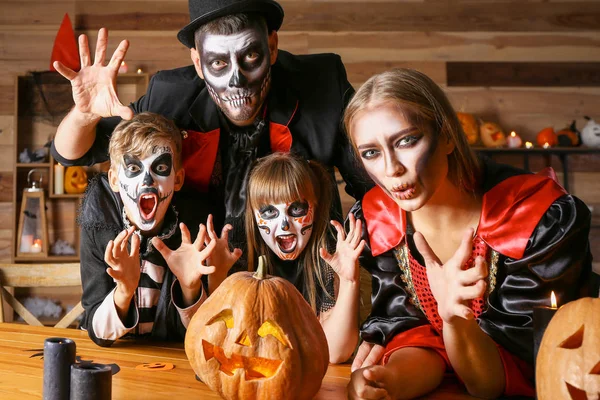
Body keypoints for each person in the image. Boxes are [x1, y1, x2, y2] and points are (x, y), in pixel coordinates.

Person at [51, 0, 372, 270]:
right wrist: (85, 114)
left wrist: (386, 312)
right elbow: (73, 153)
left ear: (272, 47)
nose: (236, 80)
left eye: (250, 57)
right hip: (200, 277)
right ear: (198, 63)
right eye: (218, 62)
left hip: (307, 273)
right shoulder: (170, 96)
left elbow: (373, 190)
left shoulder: (322, 86)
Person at [342, 69, 595, 399]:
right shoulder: (377, 222)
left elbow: (500, 379)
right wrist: (389, 379)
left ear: (447, 135)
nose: (391, 169)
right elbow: (413, 334)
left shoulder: (539, 219)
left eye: (406, 141)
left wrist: (454, 320)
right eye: (371, 152)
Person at [79, 112, 239, 347]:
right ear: (114, 180)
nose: (147, 180)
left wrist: (190, 287)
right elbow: (98, 331)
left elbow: (209, 337)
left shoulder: (196, 232)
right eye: (133, 168)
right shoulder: (100, 228)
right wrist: (124, 289)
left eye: (161, 166)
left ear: (177, 179)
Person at [242, 152, 363, 363]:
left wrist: (349, 282)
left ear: (315, 208)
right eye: (269, 212)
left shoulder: (327, 257)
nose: (284, 225)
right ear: (253, 214)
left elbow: (334, 352)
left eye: (296, 209)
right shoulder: (241, 255)